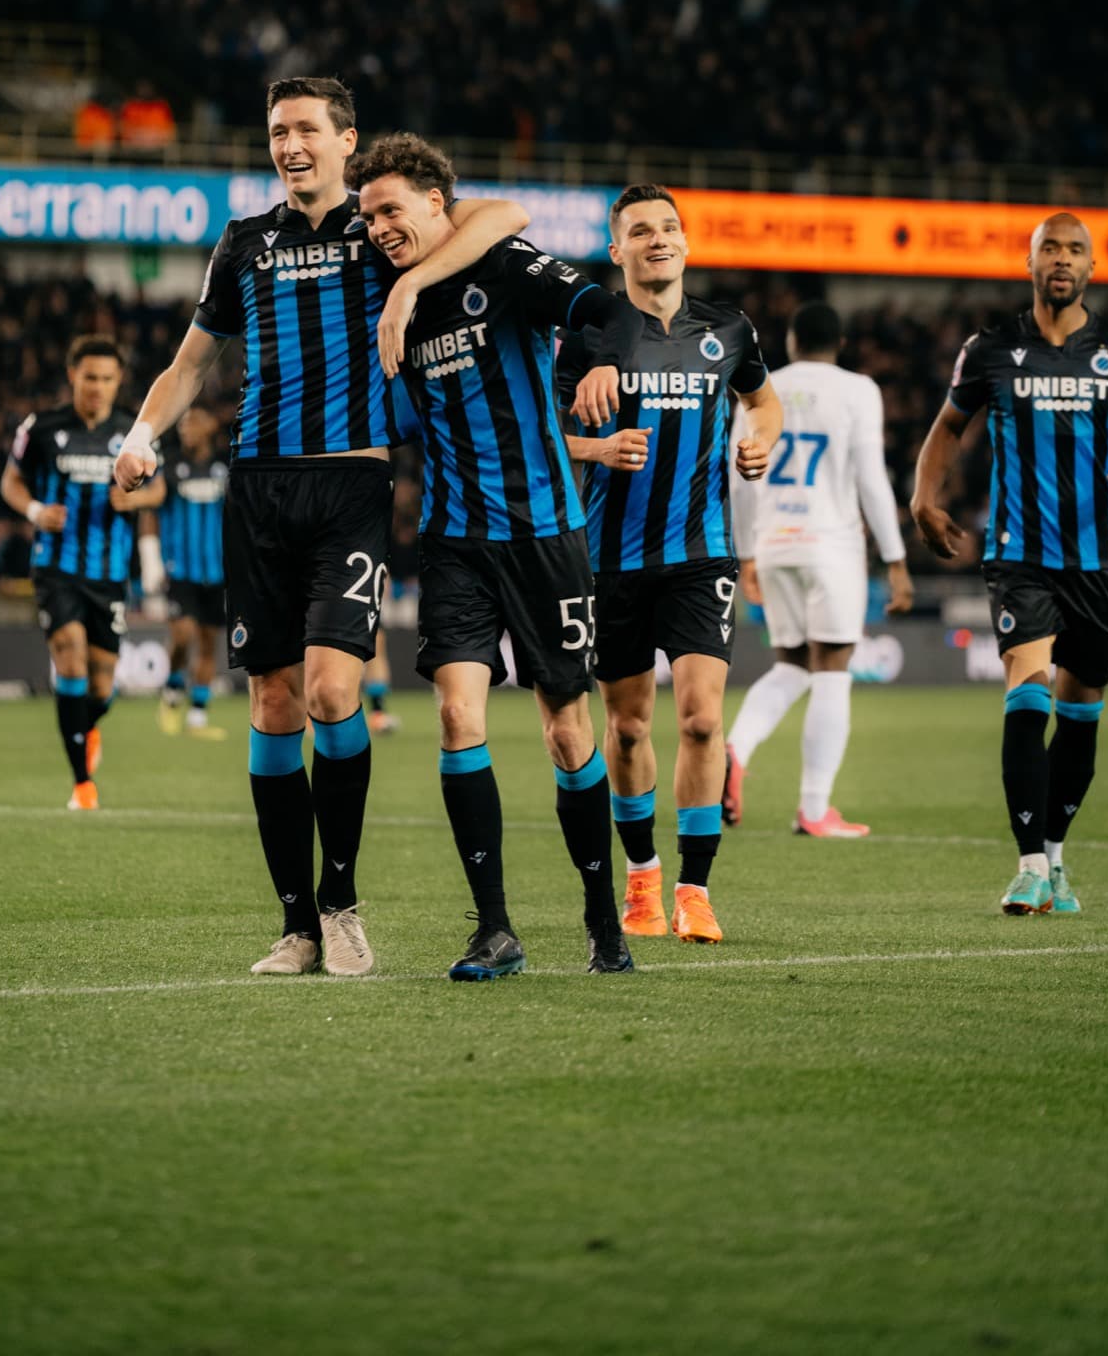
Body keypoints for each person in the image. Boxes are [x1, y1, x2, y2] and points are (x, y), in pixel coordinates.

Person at [114, 77, 528, 980]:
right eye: (276, 130)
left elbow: (502, 214)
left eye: (306, 128)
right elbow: (190, 365)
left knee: (334, 694)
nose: (289, 143)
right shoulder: (243, 243)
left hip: (350, 485)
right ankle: (297, 926)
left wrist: (412, 276)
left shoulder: (377, 231)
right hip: (258, 489)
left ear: (347, 141)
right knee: (271, 703)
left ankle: (341, 907)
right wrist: (140, 436)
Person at [352, 133, 641, 981]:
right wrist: (399, 284)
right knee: (455, 719)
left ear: (437, 204)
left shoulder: (505, 264)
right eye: (367, 216)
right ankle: (495, 930)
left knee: (565, 730)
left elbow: (609, 311)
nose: (376, 229)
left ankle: (601, 920)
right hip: (452, 541)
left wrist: (605, 368)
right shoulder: (381, 283)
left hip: (545, 534)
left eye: (389, 210)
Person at [911, 212, 1108, 915]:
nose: (1061, 259)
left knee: (1081, 711)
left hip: (1096, 560)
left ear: (1092, 268)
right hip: (1017, 554)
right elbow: (946, 429)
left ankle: (1054, 859)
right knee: (1027, 696)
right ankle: (1027, 866)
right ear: (1029, 264)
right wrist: (921, 496)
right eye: (1049, 248)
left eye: (1074, 250)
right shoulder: (991, 348)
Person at [556, 184, 782, 945]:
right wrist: (595, 448)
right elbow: (539, 438)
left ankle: (694, 889)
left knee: (700, 719)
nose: (658, 239)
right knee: (624, 729)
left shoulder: (727, 328)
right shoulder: (587, 335)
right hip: (610, 560)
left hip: (700, 554)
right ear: (616, 250)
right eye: (639, 231)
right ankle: (642, 880)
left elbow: (764, 401)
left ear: (684, 243)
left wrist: (760, 437)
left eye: (669, 228)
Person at [723, 302, 914, 838]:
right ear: (841, 342)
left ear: (790, 342)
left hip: (774, 540)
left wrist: (746, 554)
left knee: (793, 663)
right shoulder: (857, 390)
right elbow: (871, 479)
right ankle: (813, 809)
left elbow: (738, 477)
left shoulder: (761, 387)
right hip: (831, 545)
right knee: (832, 667)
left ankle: (734, 750)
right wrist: (897, 559)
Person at [0, 335, 166, 810]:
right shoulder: (42, 427)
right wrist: (33, 510)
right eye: (89, 376)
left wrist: (138, 496)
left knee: (101, 688)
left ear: (119, 382)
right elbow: (10, 480)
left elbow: (160, 489)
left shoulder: (133, 432)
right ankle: (82, 784)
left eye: (107, 378)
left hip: (110, 574)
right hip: (55, 567)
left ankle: (85, 726)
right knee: (68, 656)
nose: (97, 386)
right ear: (72, 375)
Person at [154, 407, 229, 741]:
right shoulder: (170, 466)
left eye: (192, 423)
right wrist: (151, 558)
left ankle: (198, 716)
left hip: (218, 572)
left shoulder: (225, 467)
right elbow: (153, 507)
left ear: (209, 428)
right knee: (183, 636)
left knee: (208, 644)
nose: (185, 429)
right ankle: (172, 690)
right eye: (181, 424)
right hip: (181, 569)